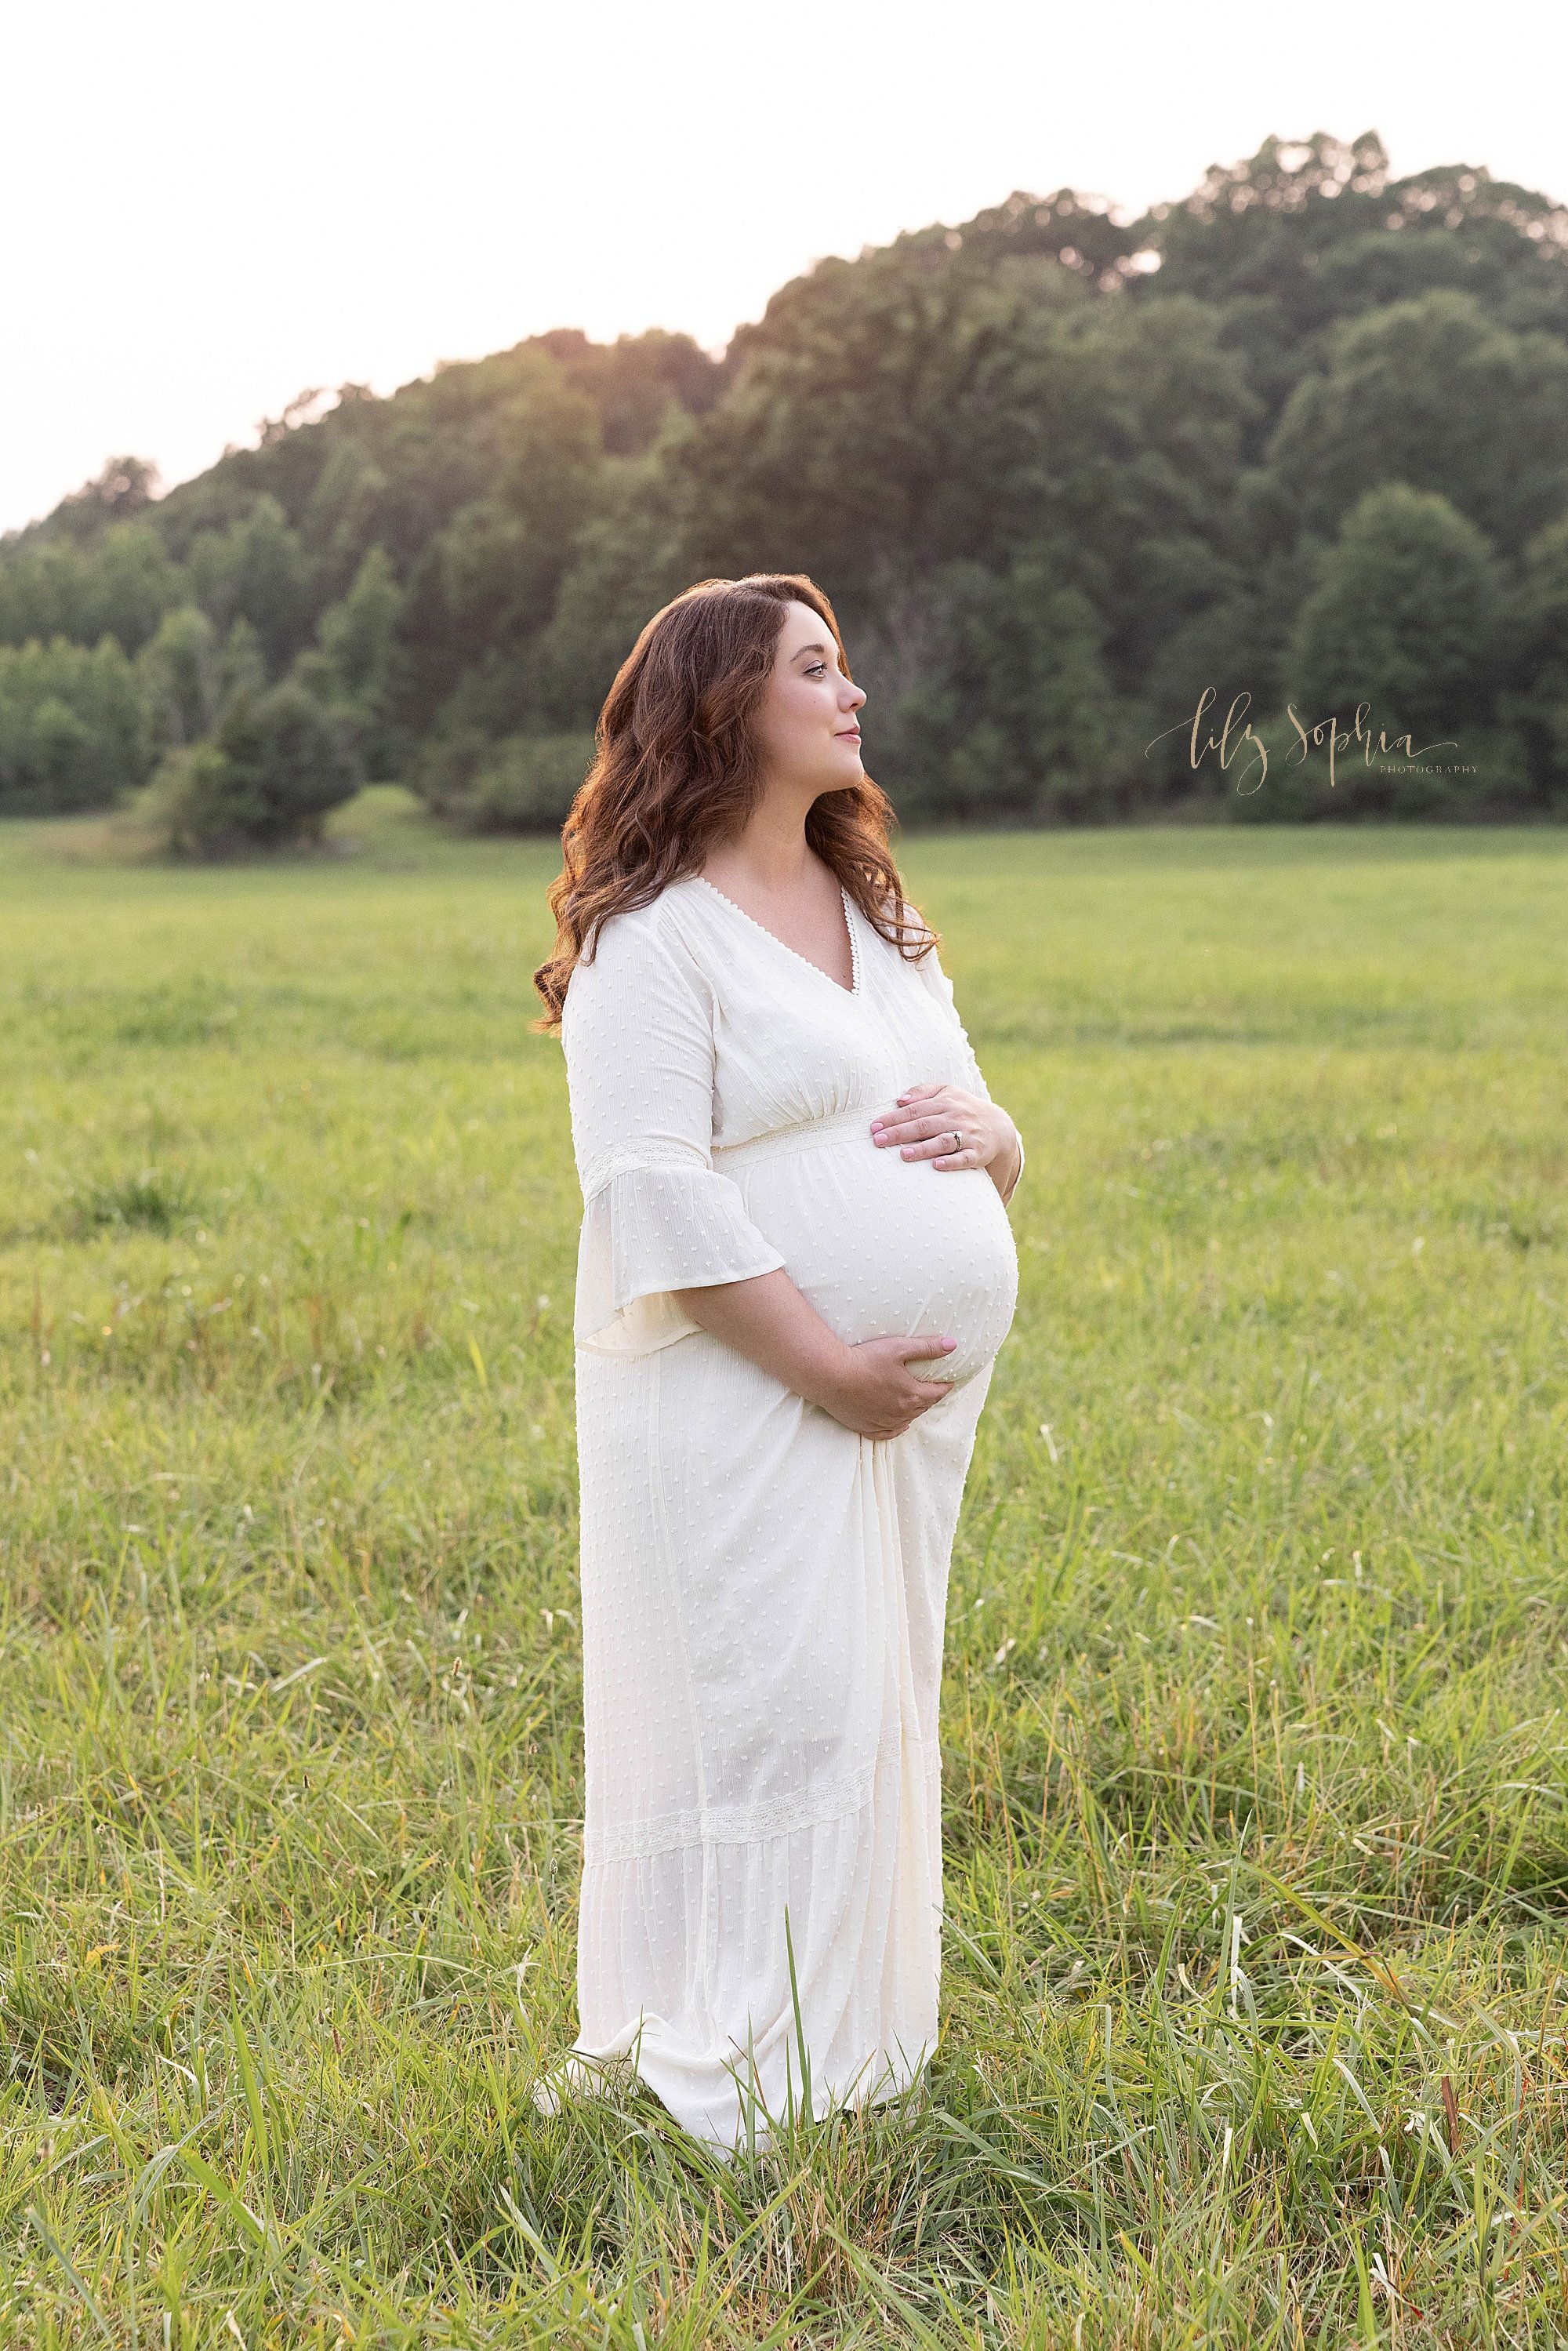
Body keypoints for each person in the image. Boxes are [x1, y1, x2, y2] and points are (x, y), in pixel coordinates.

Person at [531, 572, 1025, 2151]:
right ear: (725, 704)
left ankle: (848, 2049)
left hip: (899, 1418)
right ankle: (739, 2071)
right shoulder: (648, 940)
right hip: (746, 1394)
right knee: (778, 1708)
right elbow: (650, 1193)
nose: (852, 690)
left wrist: (1001, 1140)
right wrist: (825, 1365)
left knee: (871, 1703)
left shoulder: (877, 908)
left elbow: (970, 1114)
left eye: (844, 663)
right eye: (816, 667)